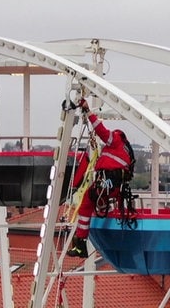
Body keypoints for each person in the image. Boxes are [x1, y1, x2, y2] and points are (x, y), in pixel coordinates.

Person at [67, 99, 135, 258]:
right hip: (114, 186)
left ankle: (80, 242)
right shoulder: (124, 152)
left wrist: (89, 113)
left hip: (107, 184)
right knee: (102, 205)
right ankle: (84, 240)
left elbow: (102, 131)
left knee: (86, 203)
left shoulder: (116, 140)